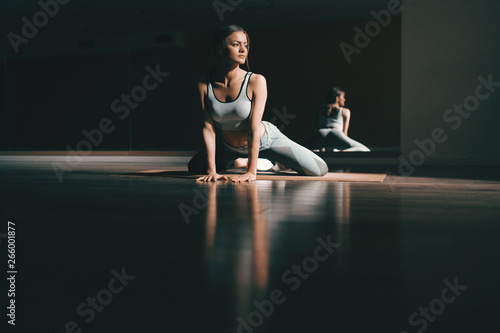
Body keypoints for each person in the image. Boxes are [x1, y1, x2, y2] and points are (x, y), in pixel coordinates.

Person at [188, 25, 328, 182]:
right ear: (219, 49)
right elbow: (208, 128)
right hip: (228, 146)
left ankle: (271, 162)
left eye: (245, 45)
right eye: (236, 44)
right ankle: (241, 161)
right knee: (194, 167)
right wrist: (211, 171)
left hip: (264, 141)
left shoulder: (256, 81)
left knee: (319, 169)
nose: (243, 50)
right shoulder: (203, 83)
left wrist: (251, 172)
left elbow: (253, 129)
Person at [306, 87, 370, 152]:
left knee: (303, 148)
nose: (344, 99)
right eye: (343, 97)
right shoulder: (345, 111)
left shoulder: (320, 110)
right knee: (365, 150)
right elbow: (345, 133)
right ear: (337, 98)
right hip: (336, 133)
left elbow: (319, 126)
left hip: (321, 132)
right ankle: (343, 152)